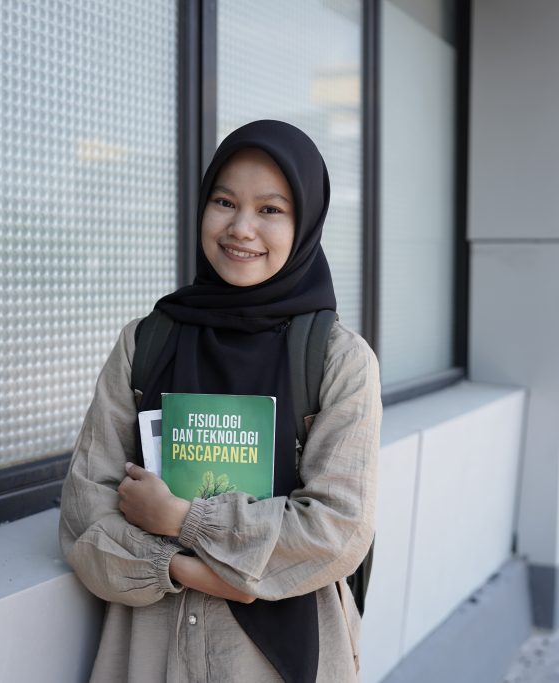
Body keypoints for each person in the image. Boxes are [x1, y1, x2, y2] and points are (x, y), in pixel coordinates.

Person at [58, 120, 382, 682]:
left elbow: (338, 528)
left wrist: (183, 518)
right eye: (225, 201)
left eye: (271, 210)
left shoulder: (337, 360)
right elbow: (85, 514)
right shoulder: (146, 342)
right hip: (151, 651)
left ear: (305, 223)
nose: (241, 228)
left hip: (280, 661)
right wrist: (187, 570)